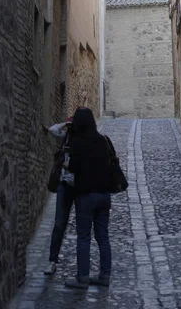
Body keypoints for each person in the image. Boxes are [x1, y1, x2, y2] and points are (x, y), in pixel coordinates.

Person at [64, 107, 114, 289]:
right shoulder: (102, 141)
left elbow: (73, 168)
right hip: (104, 195)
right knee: (103, 237)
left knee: (84, 237)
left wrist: (66, 163)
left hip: (86, 196)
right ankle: (104, 275)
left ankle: (82, 277)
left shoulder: (78, 142)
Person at [44, 119, 75, 275]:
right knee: (59, 224)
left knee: (84, 229)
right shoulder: (66, 136)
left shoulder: (87, 138)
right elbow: (52, 129)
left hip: (81, 187)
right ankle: (52, 260)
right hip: (64, 184)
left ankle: (82, 269)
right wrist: (65, 123)